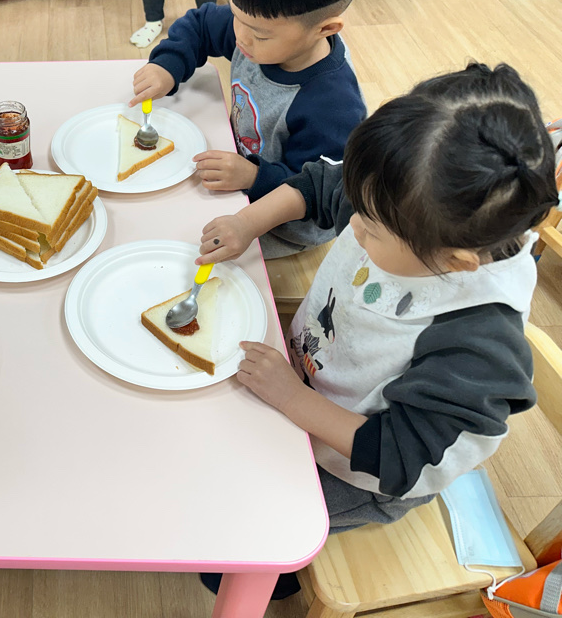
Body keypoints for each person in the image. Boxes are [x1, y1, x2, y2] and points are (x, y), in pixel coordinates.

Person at [196, 63, 558, 597]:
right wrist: (246, 223)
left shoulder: (476, 344)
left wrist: (292, 399)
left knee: (232, 550)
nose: (352, 225)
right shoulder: (400, 197)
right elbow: (320, 187)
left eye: (369, 230)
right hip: (305, 382)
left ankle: (285, 576)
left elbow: (395, 456)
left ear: (455, 263)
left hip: (361, 470)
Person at [131, 0, 370, 258]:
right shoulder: (258, 23)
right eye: (237, 16)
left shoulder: (333, 104)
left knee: (173, 246)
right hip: (241, 167)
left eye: (258, 34)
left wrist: (253, 178)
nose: (240, 36)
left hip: (283, 223)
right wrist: (168, 66)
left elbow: (315, 190)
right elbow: (201, 25)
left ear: (325, 29)